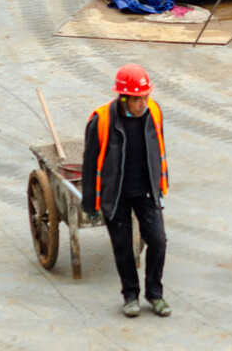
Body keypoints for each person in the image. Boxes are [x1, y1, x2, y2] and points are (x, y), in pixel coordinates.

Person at [83, 63, 170, 318]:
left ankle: (155, 294)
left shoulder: (154, 112)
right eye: (136, 99)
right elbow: (90, 165)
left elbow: (160, 151)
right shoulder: (101, 121)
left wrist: (160, 186)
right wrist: (91, 204)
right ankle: (130, 295)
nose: (142, 103)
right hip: (116, 195)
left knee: (158, 240)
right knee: (122, 247)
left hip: (145, 192)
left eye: (145, 97)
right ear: (123, 98)